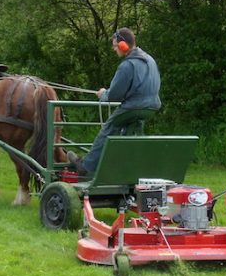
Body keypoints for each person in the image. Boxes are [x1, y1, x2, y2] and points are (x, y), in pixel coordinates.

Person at [68, 28, 162, 175]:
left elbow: (114, 95)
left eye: (114, 45)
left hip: (134, 107)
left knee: (109, 128)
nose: (114, 49)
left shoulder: (127, 65)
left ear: (123, 45)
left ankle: (86, 166)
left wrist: (103, 94)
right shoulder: (150, 60)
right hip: (152, 107)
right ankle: (128, 165)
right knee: (134, 132)